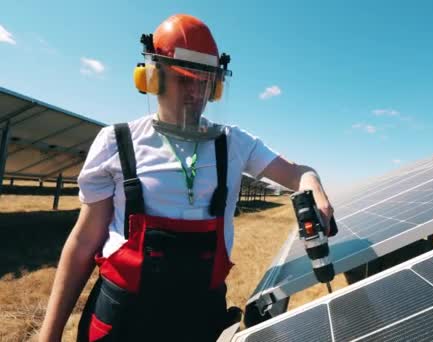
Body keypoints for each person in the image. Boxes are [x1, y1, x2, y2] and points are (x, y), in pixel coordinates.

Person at [39, 14, 334, 342]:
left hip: (199, 320)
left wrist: (312, 185)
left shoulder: (233, 143)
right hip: (124, 322)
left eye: (205, 81)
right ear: (153, 76)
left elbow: (298, 173)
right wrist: (48, 336)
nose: (196, 92)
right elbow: (83, 243)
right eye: (184, 80)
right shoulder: (116, 142)